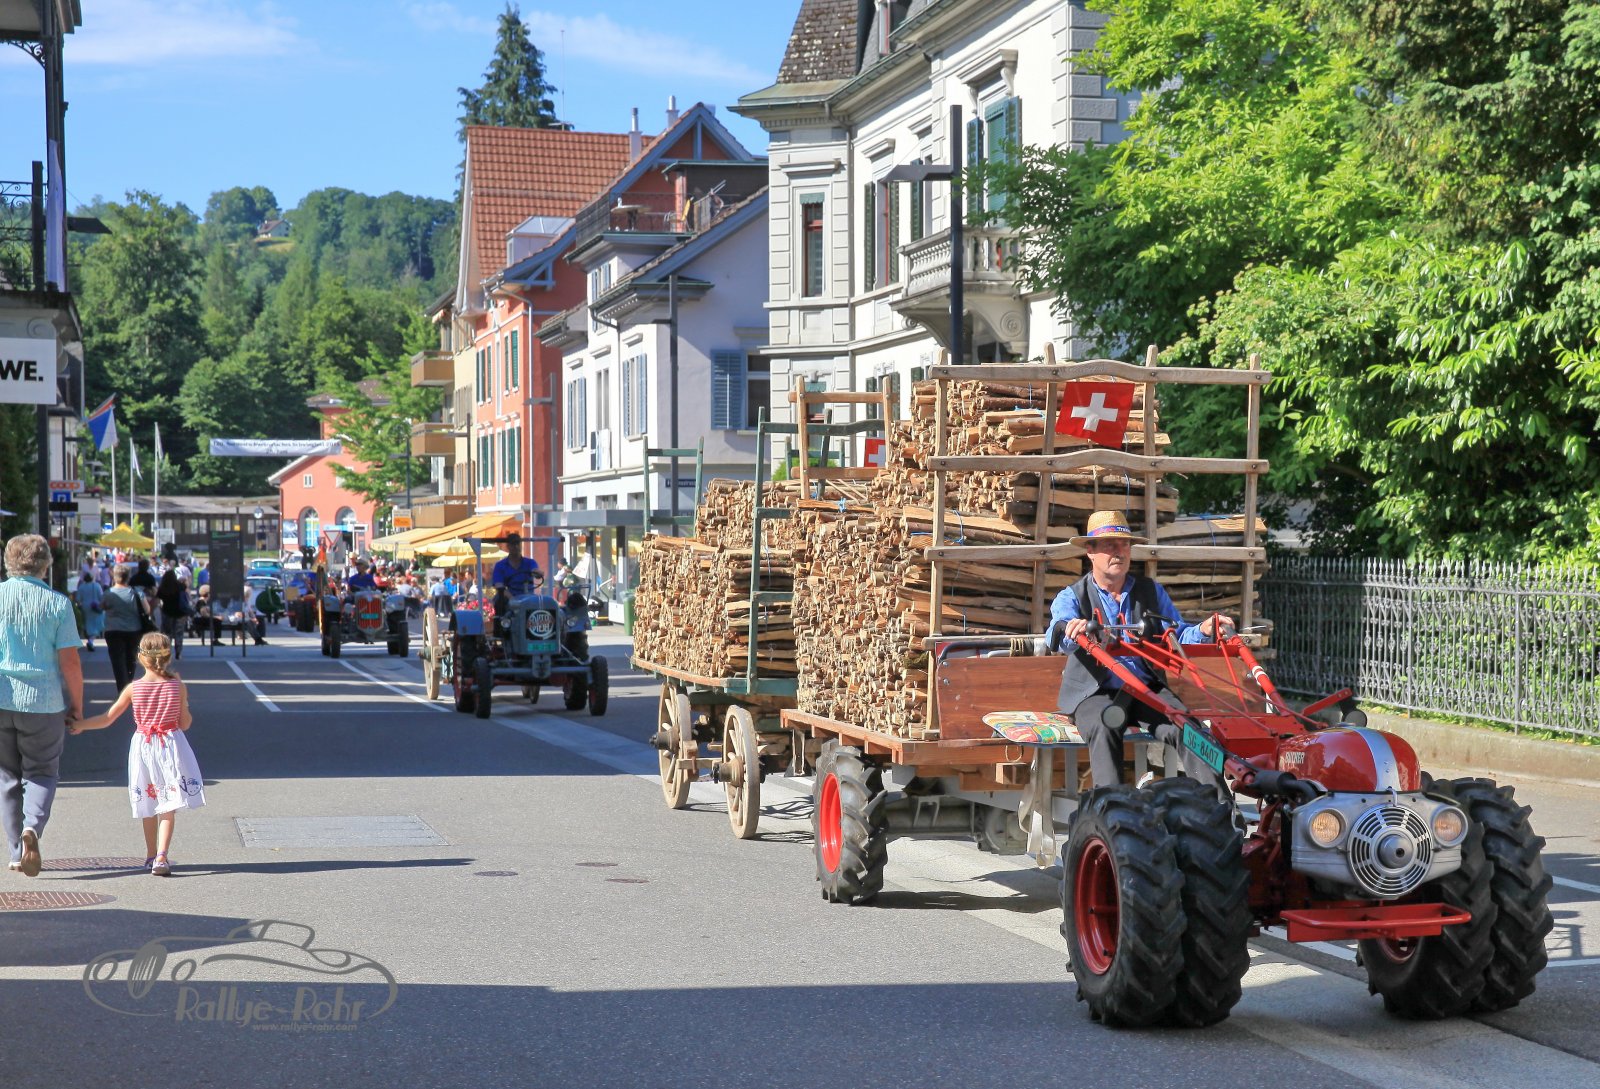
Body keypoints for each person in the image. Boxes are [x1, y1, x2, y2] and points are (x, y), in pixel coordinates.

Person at [1052, 511, 1236, 793]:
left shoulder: (1151, 591)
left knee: (1188, 729)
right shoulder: (1072, 596)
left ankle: (1220, 805)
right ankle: (1111, 808)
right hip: (1094, 692)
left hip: (1146, 689)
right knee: (1104, 726)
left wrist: (1203, 629)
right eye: (1109, 545)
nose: (1119, 552)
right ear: (1090, 551)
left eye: (1124, 544)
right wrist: (1073, 630)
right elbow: (1059, 635)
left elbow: (1177, 635)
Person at [71, 632, 204, 876]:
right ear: (168, 657)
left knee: (148, 800)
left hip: (143, 746)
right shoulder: (177, 686)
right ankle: (162, 856)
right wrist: (184, 702)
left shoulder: (134, 688)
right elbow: (184, 723)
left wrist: (80, 725)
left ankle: (150, 855)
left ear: (141, 658)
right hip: (169, 745)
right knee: (168, 804)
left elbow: (107, 718)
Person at [0, 534, 84, 876]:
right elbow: (70, 663)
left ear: (8, 562)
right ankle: (31, 828)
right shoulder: (57, 604)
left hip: (2, 696)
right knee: (43, 770)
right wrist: (76, 705)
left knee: (6, 775)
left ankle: (15, 852)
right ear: (45, 565)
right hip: (43, 701)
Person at [102, 565, 147, 691]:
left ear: (114, 576)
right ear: (128, 577)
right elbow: (147, 609)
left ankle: (123, 688)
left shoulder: (108, 593)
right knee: (131, 658)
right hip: (134, 630)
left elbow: (102, 606)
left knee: (117, 661)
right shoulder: (137, 593)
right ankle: (128, 683)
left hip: (113, 631)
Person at [156, 567, 189, 660]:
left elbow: (158, 598)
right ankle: (178, 652)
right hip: (180, 612)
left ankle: (166, 652)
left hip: (167, 612)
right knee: (179, 633)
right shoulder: (180, 586)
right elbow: (186, 590)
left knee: (167, 633)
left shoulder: (163, 588)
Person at [76, 571, 106, 651]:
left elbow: (78, 599)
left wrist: (80, 606)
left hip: (85, 607)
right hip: (95, 606)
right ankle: (91, 641)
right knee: (95, 625)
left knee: (87, 623)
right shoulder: (97, 586)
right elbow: (101, 597)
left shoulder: (81, 587)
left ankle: (89, 637)